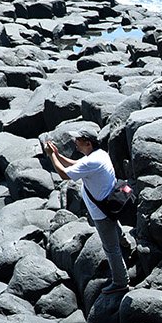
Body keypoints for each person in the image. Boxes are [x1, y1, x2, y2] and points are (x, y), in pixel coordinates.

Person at [40, 124, 130, 294]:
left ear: (88, 143)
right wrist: (58, 155)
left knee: (110, 249)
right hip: (110, 204)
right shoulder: (99, 154)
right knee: (114, 227)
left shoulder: (92, 160)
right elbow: (77, 164)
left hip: (101, 211)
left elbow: (65, 175)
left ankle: (121, 282)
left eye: (78, 140)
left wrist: (52, 156)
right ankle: (125, 243)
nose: (75, 142)